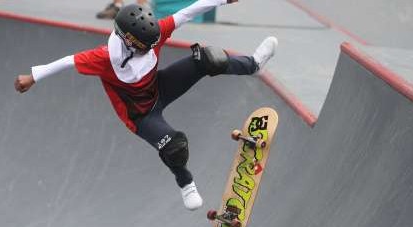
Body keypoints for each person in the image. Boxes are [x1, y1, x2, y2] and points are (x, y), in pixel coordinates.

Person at [14, 0, 278, 211]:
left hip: (160, 87)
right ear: (130, 41)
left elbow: (187, 12)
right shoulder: (103, 57)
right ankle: (186, 183)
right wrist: (33, 76)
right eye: (146, 48)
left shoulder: (156, 32)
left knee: (207, 59)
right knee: (174, 147)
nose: (152, 49)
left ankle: (252, 65)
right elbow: (68, 61)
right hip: (140, 116)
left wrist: (221, 0)